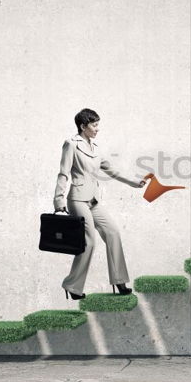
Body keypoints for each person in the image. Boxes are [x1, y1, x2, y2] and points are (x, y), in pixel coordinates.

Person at [54, 108, 147, 300]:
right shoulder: (71, 144)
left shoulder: (95, 148)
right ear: (83, 126)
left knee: (112, 232)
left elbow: (113, 171)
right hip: (77, 200)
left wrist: (134, 182)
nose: (97, 129)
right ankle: (72, 285)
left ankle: (119, 280)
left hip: (93, 201)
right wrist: (58, 199)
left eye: (98, 125)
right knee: (88, 242)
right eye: (94, 125)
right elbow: (63, 173)